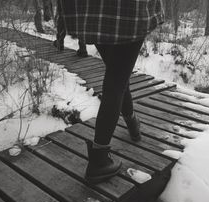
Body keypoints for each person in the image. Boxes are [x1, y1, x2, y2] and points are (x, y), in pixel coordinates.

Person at [60, 0, 164, 184]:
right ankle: (99, 160)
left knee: (117, 75)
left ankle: (132, 121)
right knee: (116, 81)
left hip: (91, 12)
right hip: (128, 12)